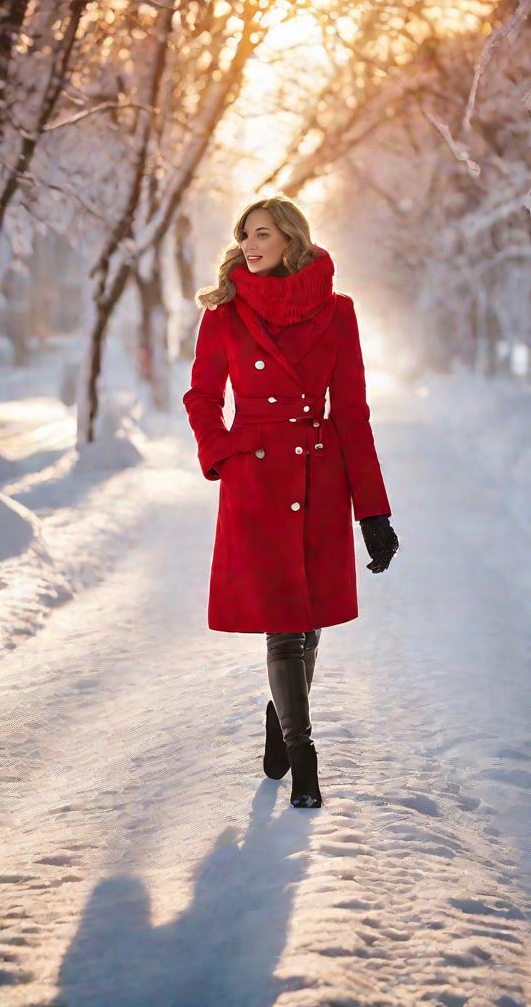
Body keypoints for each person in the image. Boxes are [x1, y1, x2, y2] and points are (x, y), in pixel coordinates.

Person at [182, 196, 399, 809]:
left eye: (262, 234)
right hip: (257, 481)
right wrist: (223, 453)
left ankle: (280, 722)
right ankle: (304, 756)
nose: (249, 245)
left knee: (309, 622)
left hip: (319, 477)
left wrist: (373, 513)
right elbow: (201, 395)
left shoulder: (336, 313)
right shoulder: (225, 313)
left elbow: (353, 415)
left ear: (291, 241)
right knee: (284, 625)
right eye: (244, 235)